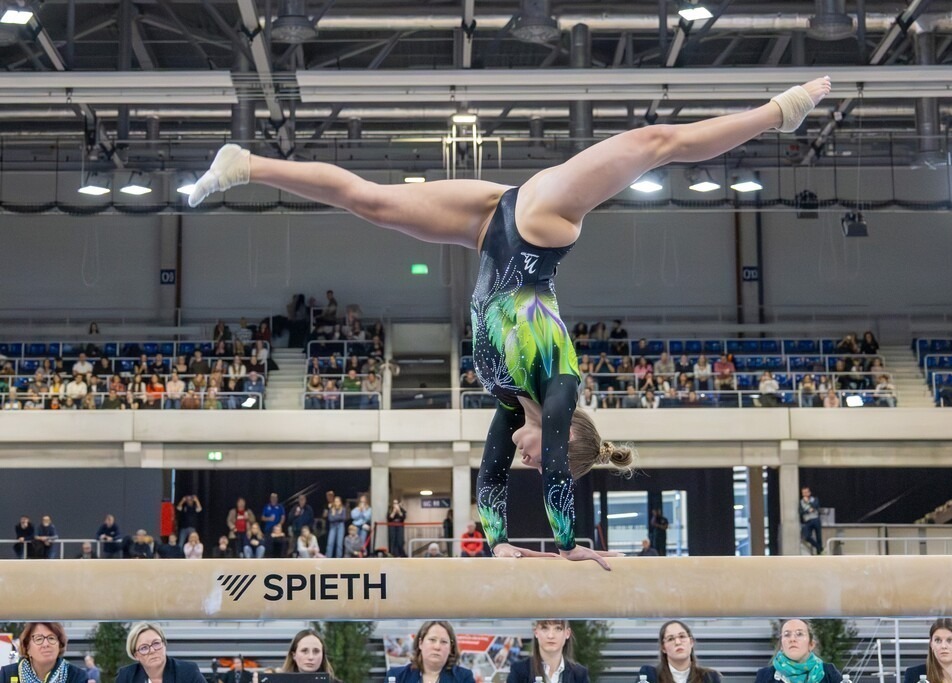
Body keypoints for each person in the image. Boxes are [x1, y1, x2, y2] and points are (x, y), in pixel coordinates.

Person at [189, 77, 832, 568]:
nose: (524, 458)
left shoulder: (505, 399)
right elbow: (551, 462)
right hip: (540, 225)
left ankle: (244, 164)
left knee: (373, 203)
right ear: (563, 434)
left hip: (491, 229)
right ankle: (780, 112)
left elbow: (490, 477)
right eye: (540, 455)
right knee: (652, 145)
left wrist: (497, 541)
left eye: (528, 456)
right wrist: (568, 543)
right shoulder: (560, 389)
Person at [754, 619, 842, 683]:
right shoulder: (764, 676)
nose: (792, 639)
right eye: (787, 635)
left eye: (799, 634)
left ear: (811, 644)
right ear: (781, 645)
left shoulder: (829, 673)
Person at [385, 621, 473, 683]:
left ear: (451, 647)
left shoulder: (463, 677)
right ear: (420, 643)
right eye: (432, 640)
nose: (437, 647)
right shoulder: (396, 676)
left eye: (443, 642)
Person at [116, 623, 205, 683]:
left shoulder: (188, 672)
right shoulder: (126, 676)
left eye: (156, 643)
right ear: (136, 655)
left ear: (164, 644)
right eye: (144, 648)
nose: (152, 650)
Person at [0, 622, 88, 683]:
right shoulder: (7, 674)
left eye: (51, 638)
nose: (46, 644)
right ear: (27, 647)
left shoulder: (76, 676)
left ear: (60, 644)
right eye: (38, 639)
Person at [638, 621, 721, 683]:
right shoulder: (650, 675)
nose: (678, 642)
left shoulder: (709, 678)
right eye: (670, 639)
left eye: (682, 636)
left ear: (691, 642)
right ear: (663, 648)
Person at [508, 620, 588, 683]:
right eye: (545, 628)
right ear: (536, 632)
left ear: (567, 633)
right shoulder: (519, 671)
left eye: (558, 628)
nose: (551, 635)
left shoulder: (579, 674)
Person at [799, 487, 823, 555]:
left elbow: (816, 506)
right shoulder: (801, 502)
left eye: (806, 492)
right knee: (807, 536)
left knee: (818, 537)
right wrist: (808, 511)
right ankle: (819, 548)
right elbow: (801, 512)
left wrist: (808, 502)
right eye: (803, 493)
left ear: (809, 493)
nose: (805, 494)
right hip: (807, 520)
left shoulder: (815, 499)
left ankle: (819, 553)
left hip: (815, 519)